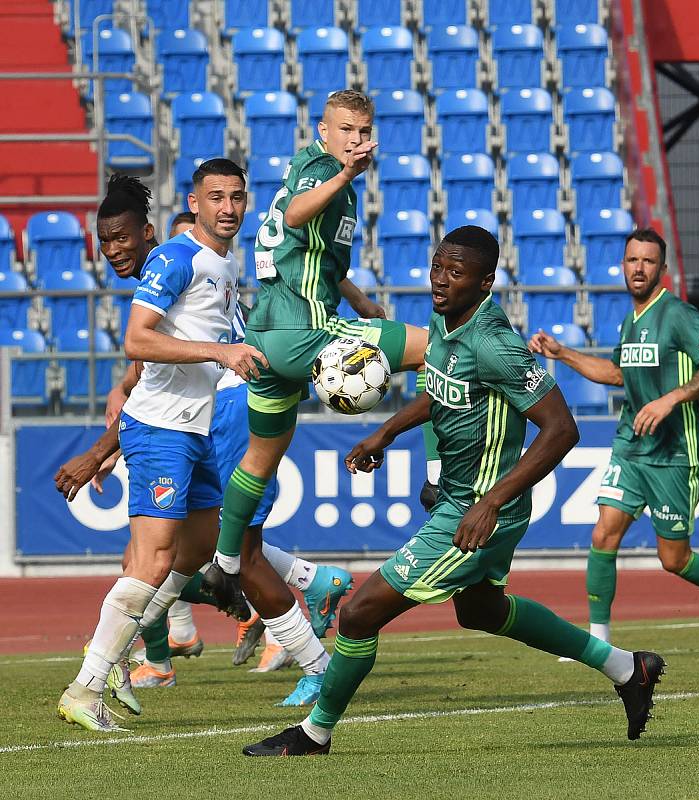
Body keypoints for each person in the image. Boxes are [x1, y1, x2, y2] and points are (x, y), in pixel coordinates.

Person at [242, 226, 666, 757]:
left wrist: (489, 503)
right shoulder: (445, 325)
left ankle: (314, 732)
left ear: (485, 282)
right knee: (481, 612)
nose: (440, 281)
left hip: (480, 509)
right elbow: (444, 389)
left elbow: (562, 429)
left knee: (358, 613)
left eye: (455, 272)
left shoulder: (494, 344)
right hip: (464, 502)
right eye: (438, 267)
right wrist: (387, 431)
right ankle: (628, 668)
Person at [88, 178, 358, 695]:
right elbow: (151, 368)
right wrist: (121, 397)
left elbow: (158, 368)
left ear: (151, 237)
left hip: (225, 407)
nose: (114, 250)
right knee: (197, 548)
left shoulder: (178, 262)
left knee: (216, 553)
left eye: (122, 238)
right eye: (106, 242)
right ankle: (307, 587)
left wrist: (102, 449)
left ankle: (307, 659)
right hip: (221, 402)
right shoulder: (200, 267)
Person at [205, 89, 441, 634]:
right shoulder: (320, 171)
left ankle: (223, 565)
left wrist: (357, 296)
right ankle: (436, 479)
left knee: (261, 459)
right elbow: (294, 215)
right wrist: (344, 176)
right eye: (346, 131)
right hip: (306, 332)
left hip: (267, 337)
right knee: (437, 347)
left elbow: (310, 253)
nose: (355, 141)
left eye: (363, 132)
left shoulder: (317, 172)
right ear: (323, 130)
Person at [55, 158, 265, 732]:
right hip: (162, 433)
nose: (228, 207)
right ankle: (88, 685)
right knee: (150, 561)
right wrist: (219, 354)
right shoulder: (177, 258)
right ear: (194, 203)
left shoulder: (221, 265)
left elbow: (158, 357)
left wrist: (103, 448)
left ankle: (117, 654)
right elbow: (136, 339)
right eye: (216, 197)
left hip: (190, 429)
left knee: (194, 551)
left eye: (237, 198)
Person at [528, 228, 699, 657]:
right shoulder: (630, 319)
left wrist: (671, 398)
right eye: (633, 260)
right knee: (603, 535)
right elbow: (617, 374)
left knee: (673, 559)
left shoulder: (678, 315)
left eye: (648, 261)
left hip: (673, 454)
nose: (639, 268)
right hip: (631, 446)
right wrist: (562, 354)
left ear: (662, 270)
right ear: (623, 266)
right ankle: (599, 637)